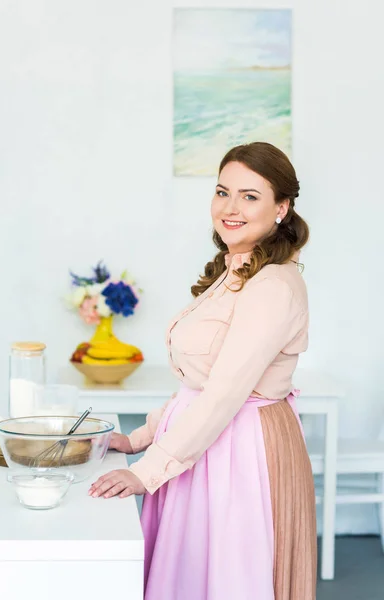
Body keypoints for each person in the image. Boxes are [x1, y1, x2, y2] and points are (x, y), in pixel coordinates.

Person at [89, 142, 317, 600]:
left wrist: (146, 471)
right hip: (205, 447)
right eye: (222, 191)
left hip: (240, 453)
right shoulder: (239, 271)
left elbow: (224, 395)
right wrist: (139, 438)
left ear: (282, 208)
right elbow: (198, 385)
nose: (230, 208)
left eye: (250, 196)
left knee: (227, 580)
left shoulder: (272, 285)